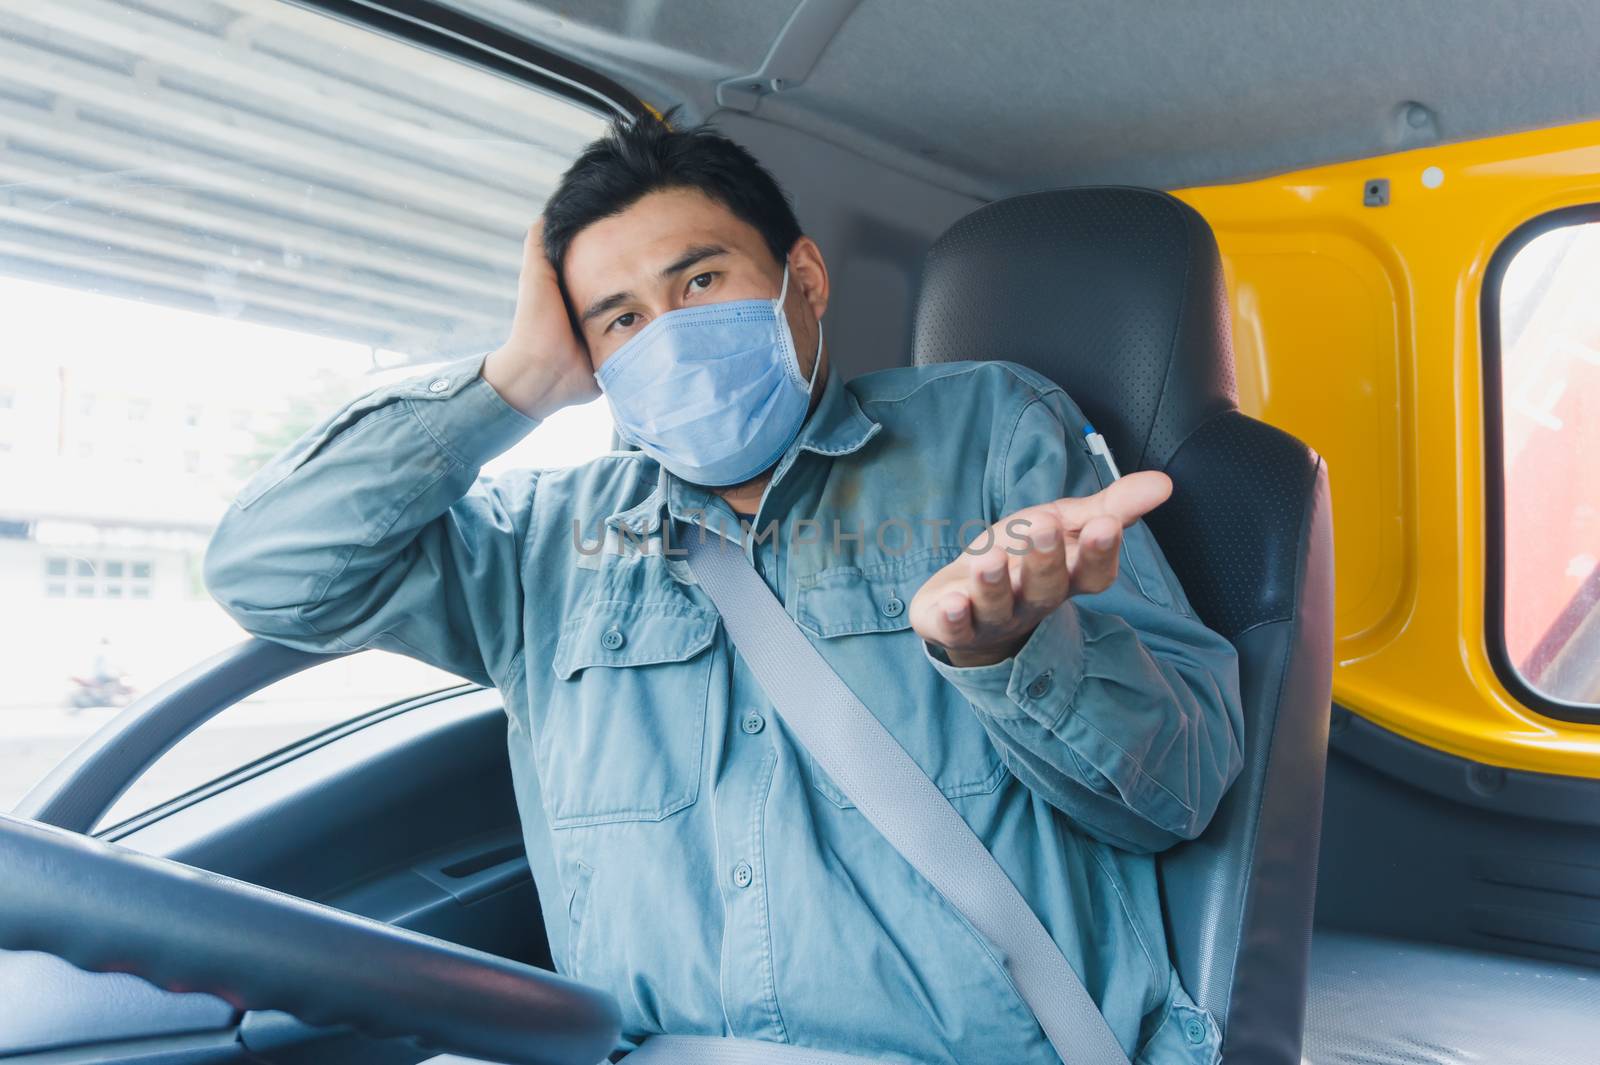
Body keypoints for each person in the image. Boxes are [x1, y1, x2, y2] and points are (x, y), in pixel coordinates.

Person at [203, 106, 1243, 1064]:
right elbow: (272, 574)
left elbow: (1181, 792)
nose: (670, 336)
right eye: (618, 320)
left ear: (806, 279)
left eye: (700, 282)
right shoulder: (541, 541)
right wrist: (518, 379)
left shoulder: (989, 432)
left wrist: (1009, 651)